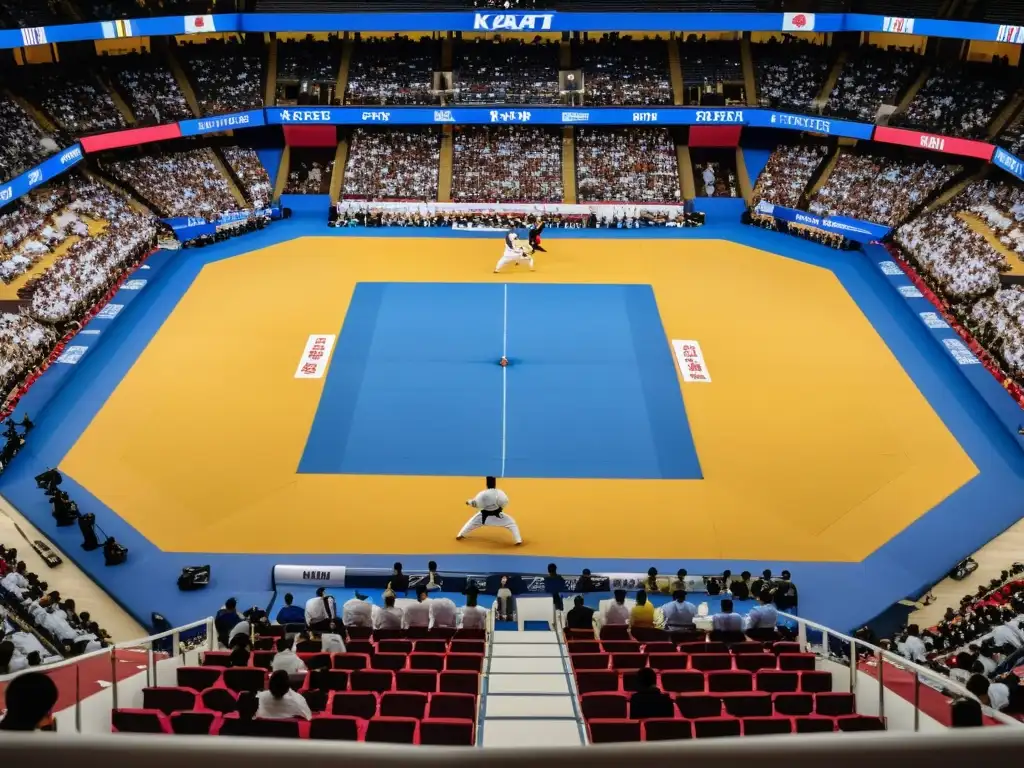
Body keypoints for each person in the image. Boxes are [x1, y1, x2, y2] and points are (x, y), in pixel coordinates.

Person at [458, 476, 522, 545]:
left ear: (487, 484)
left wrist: (469, 502)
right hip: (498, 516)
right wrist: (499, 506)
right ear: (495, 484)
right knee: (511, 523)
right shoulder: (500, 493)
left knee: (471, 523)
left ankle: (460, 535)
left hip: (483, 517)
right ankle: (518, 540)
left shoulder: (482, 494)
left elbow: (475, 504)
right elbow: (504, 502)